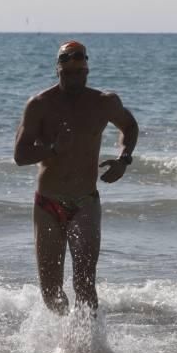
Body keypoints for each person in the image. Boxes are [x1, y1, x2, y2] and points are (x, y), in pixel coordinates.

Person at [13, 41, 139, 314]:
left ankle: (89, 350)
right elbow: (20, 155)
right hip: (48, 204)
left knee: (84, 283)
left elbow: (129, 126)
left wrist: (124, 159)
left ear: (87, 71)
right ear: (57, 70)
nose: (73, 79)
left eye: (79, 73)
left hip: (85, 203)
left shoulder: (104, 102)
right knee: (51, 292)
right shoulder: (39, 105)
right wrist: (53, 149)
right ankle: (63, 345)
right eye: (67, 73)